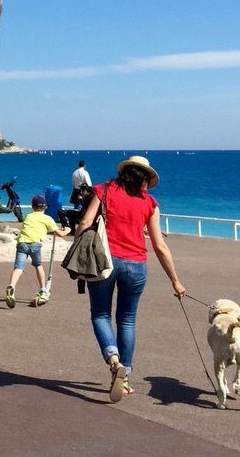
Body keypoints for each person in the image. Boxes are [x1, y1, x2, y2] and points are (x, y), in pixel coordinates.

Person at [76, 155, 186, 402]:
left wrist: (78, 250)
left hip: (104, 261)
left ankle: (113, 359)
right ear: (145, 180)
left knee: (100, 314)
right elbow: (159, 245)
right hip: (136, 265)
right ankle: (124, 377)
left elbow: (85, 222)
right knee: (127, 320)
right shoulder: (150, 203)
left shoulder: (104, 190)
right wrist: (175, 280)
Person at [5, 195, 70, 307]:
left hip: (22, 243)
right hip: (35, 244)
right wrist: (67, 230)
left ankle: (12, 285)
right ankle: (43, 289)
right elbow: (60, 234)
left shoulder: (28, 216)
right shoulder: (47, 219)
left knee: (18, 267)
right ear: (45, 207)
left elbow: (35, 228)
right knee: (38, 266)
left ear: (32, 206)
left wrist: (46, 231)